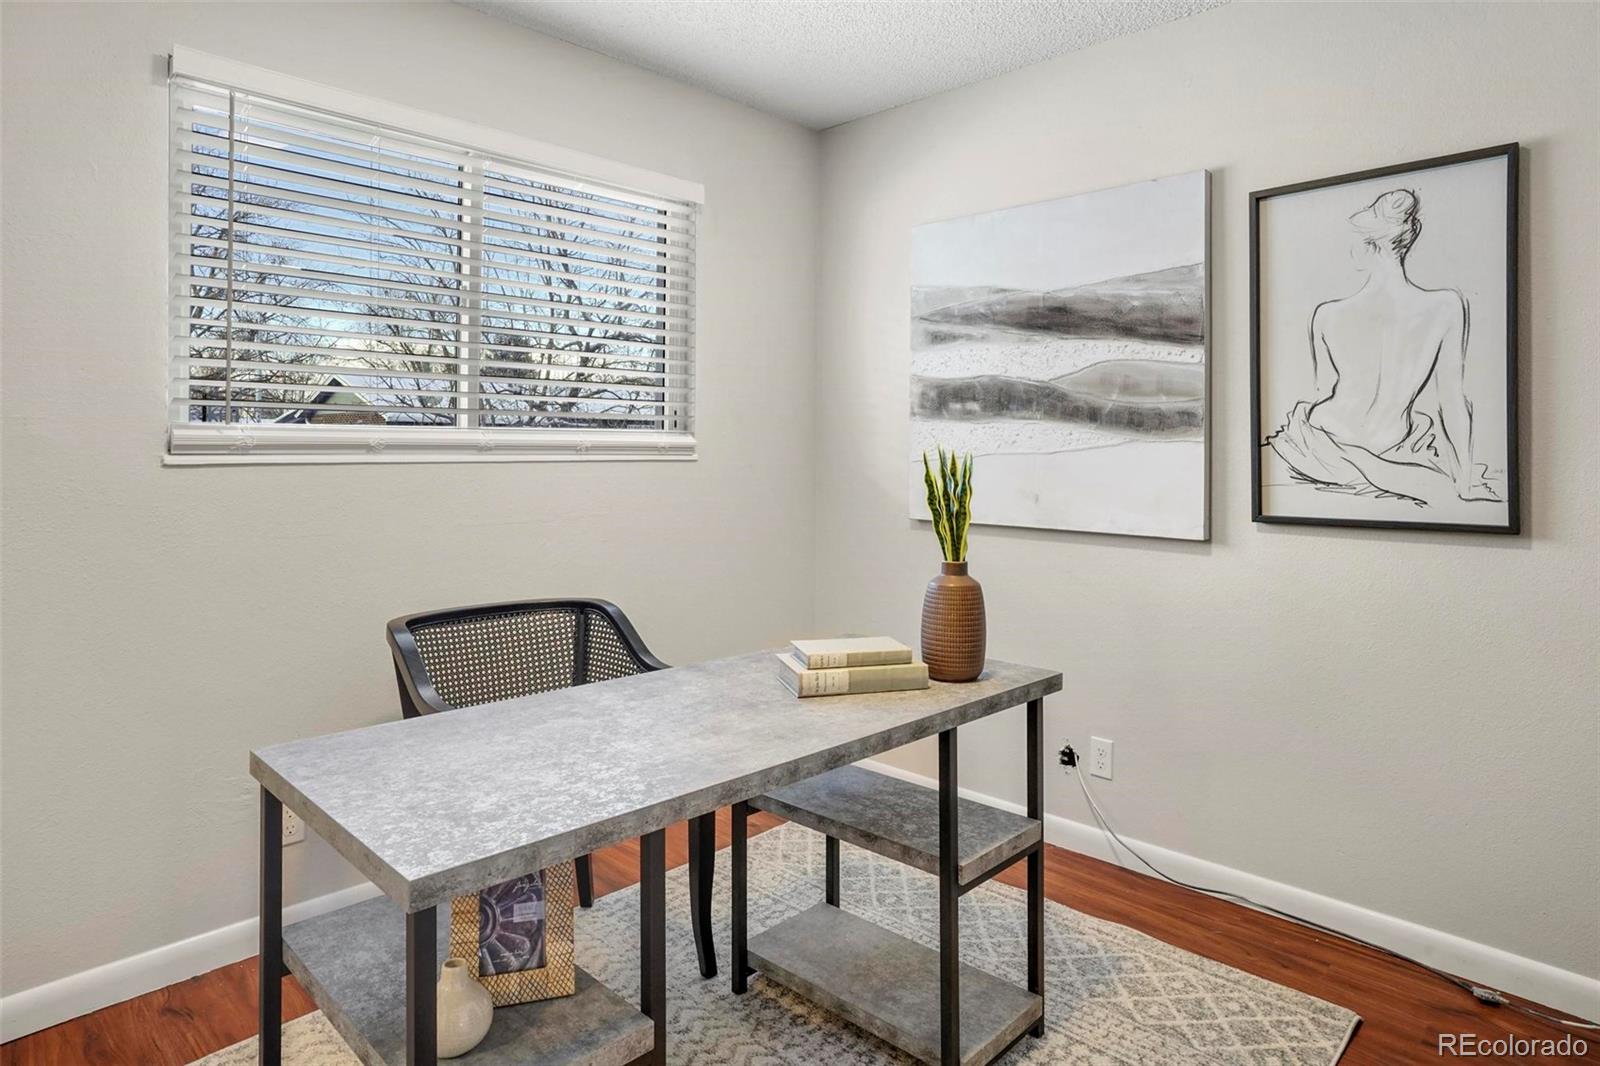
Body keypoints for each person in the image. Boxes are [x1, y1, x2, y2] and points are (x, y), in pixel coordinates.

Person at [1265, 189, 1497, 506]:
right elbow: (1453, 401)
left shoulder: (1327, 315)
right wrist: (1465, 481)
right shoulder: (1446, 306)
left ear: (1365, 246)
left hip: (1320, 439)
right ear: (1409, 238)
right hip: (1387, 444)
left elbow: (1323, 391)